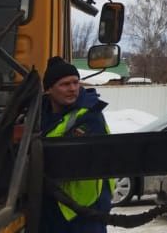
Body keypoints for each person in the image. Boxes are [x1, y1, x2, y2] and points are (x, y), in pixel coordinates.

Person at [40, 56, 113, 233]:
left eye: (75, 82)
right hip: (54, 208)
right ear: (49, 89)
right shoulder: (40, 114)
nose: (73, 89)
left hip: (85, 210)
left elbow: (69, 159)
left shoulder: (90, 115)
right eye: (65, 84)